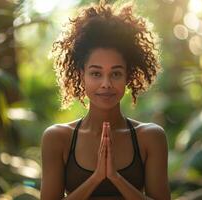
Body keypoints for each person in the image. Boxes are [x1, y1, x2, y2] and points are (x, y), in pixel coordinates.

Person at [41, 1, 170, 199]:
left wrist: (115, 177)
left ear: (129, 75)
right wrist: (96, 178)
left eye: (116, 74)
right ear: (81, 74)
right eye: (95, 73)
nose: (106, 84)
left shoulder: (151, 137)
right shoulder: (57, 138)